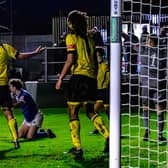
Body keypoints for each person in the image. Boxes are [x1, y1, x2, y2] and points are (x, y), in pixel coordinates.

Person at [55, 10, 109, 159]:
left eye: (69, 20)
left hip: (79, 78)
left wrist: (60, 78)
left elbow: (70, 59)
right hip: (91, 79)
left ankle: (77, 147)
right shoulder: (90, 39)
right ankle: (107, 136)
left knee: (73, 111)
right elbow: (95, 62)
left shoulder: (71, 37)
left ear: (72, 23)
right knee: (90, 111)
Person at [0, 43, 45, 149]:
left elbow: (19, 103)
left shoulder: (23, 94)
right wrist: (35, 53)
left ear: (15, 87)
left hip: (35, 117)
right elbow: (21, 56)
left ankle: (43, 133)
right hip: (2, 87)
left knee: (29, 137)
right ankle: (16, 140)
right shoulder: (4, 47)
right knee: (9, 114)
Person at [140, 34, 167, 142]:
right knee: (159, 109)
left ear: (150, 42)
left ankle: (147, 130)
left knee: (145, 107)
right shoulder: (163, 53)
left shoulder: (143, 52)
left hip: (146, 84)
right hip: (158, 83)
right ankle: (160, 135)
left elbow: (131, 42)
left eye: (147, 41)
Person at [91, 47, 110, 134]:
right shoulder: (95, 66)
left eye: (97, 55)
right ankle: (98, 128)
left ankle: (114, 129)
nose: (96, 57)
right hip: (99, 91)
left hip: (106, 90)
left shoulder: (106, 65)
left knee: (108, 111)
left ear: (101, 56)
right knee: (95, 111)